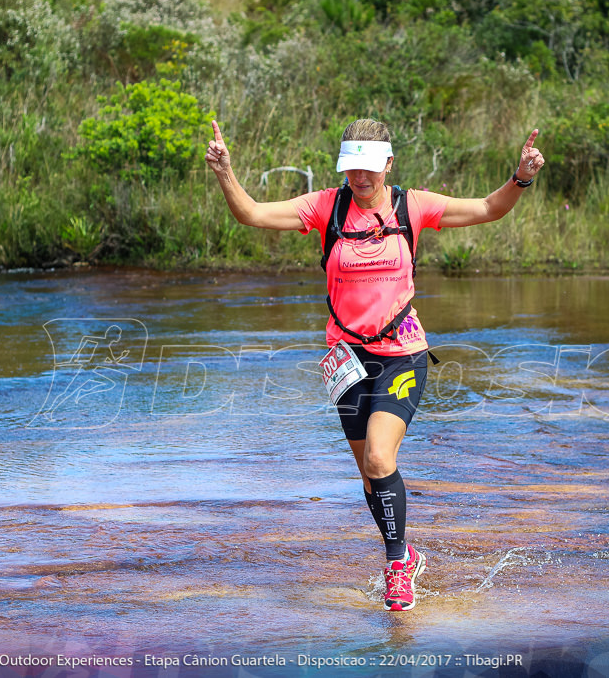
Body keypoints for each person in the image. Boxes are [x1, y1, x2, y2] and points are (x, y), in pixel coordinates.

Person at [205, 118, 545, 611]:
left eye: (367, 168)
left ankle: (395, 567)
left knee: (381, 459)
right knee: (369, 475)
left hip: (403, 353)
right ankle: (405, 552)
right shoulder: (327, 206)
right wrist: (225, 173)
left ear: (388, 163)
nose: (359, 178)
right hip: (345, 360)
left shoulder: (414, 206)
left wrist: (521, 178)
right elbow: (252, 214)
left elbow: (490, 208)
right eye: (351, 169)